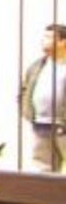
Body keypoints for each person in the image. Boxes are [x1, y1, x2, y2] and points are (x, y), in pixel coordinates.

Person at [20, 23, 66, 171]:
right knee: (43, 169)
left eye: (48, 37)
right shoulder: (38, 65)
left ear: (62, 42)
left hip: (63, 125)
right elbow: (24, 90)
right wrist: (26, 111)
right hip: (41, 125)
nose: (43, 41)